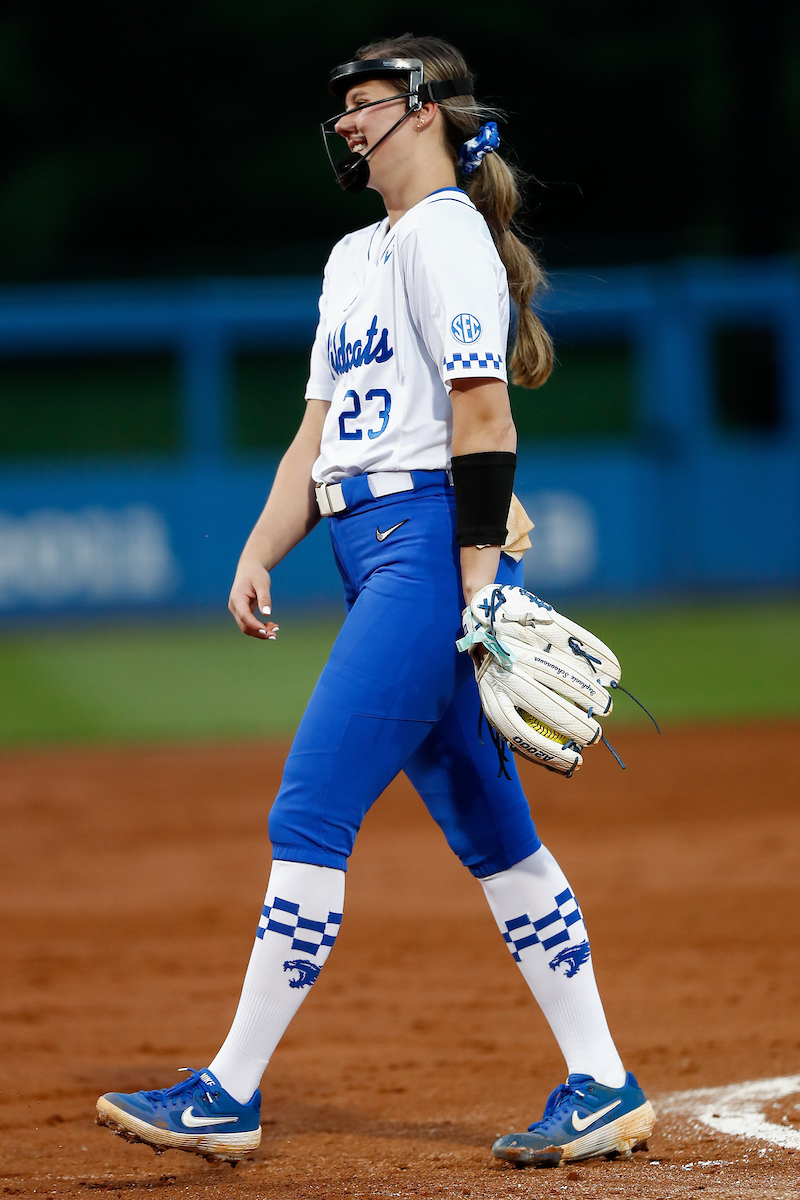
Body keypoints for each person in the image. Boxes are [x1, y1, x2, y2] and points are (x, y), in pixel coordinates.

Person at [96, 34, 655, 1170]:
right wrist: (262, 547)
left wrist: (479, 583)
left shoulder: (447, 235)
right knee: (497, 842)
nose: (347, 121)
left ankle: (229, 1092)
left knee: (308, 815)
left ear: (429, 111)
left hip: (420, 552)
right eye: (344, 104)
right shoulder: (354, 254)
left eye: (366, 101)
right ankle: (601, 1082)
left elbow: (483, 417)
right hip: (368, 548)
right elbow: (317, 432)